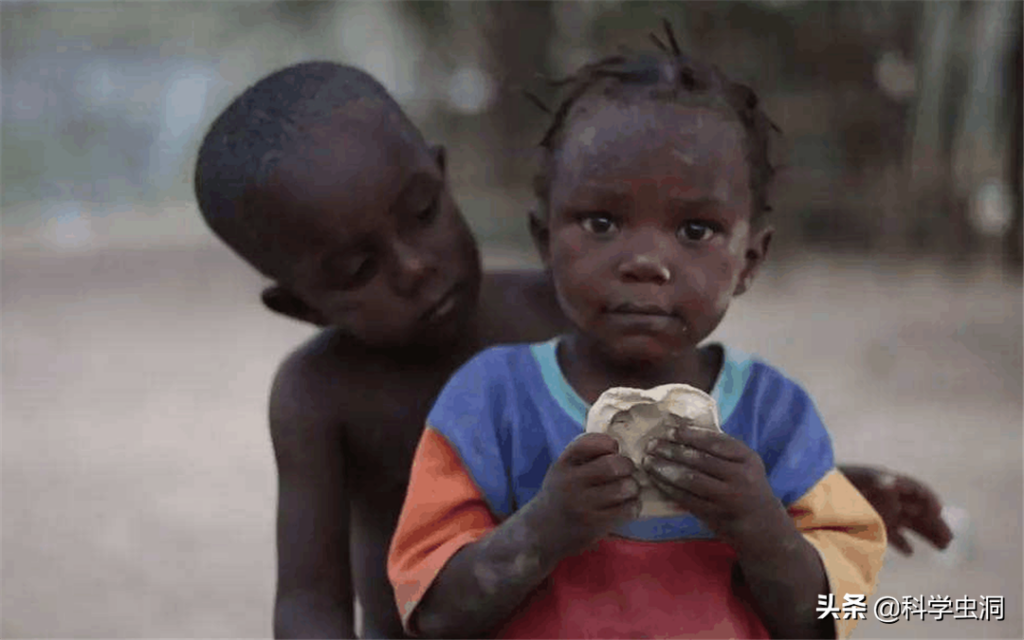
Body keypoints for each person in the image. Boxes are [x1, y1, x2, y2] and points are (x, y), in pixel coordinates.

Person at [194, 60, 950, 639]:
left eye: (421, 213)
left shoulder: (573, 303)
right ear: (300, 305)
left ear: (442, 175)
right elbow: (307, 603)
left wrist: (816, 490)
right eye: (358, 269)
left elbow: (679, 462)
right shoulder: (318, 394)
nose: (414, 265)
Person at [386, 41, 888, 640]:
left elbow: (824, 621)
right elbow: (434, 616)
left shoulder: (775, 416)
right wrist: (544, 529)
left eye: (695, 229)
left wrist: (761, 527)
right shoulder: (489, 402)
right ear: (545, 239)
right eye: (602, 222)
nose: (647, 261)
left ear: (750, 259)